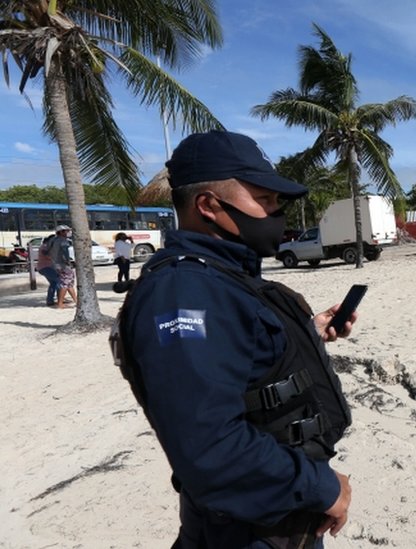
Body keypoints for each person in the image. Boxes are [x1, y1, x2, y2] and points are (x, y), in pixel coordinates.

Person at [113, 131, 355, 547]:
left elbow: (238, 363)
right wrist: (321, 487)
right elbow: (209, 446)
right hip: (244, 530)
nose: (276, 214)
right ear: (208, 206)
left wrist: (307, 334)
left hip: (281, 516)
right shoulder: (182, 293)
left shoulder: (223, 278)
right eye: (264, 201)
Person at [49, 225, 77, 309]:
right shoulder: (63, 241)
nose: (68, 232)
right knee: (65, 284)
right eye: (66, 231)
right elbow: (65, 253)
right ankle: (60, 304)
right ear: (61, 232)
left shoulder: (53, 240)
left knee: (68, 283)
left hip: (56, 264)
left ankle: (76, 301)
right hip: (63, 265)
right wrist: (68, 262)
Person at [35, 234, 60, 306]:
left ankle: (50, 300)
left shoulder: (47, 247)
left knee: (53, 283)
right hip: (45, 267)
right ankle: (60, 299)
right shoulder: (45, 246)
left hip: (46, 267)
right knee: (59, 281)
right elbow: (49, 256)